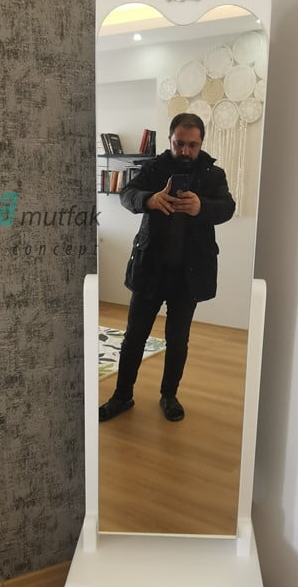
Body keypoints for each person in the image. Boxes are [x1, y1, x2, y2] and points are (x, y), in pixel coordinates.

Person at [99, 113, 236, 422]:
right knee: (134, 337)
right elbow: (127, 195)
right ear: (170, 139)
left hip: (189, 274)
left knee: (177, 340)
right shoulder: (154, 168)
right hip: (151, 268)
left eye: (192, 145)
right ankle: (122, 396)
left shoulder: (214, 175)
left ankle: (169, 395)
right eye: (179, 143)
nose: (185, 150)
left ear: (201, 143)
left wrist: (202, 207)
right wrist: (149, 200)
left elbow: (227, 207)